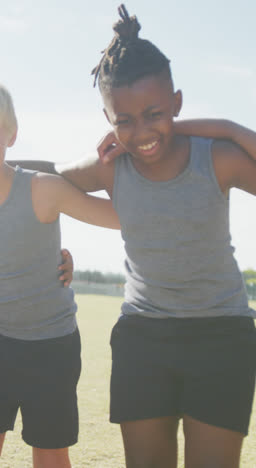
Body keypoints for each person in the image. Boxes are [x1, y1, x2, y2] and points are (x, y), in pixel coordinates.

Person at [11, 4, 256, 467]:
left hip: (222, 337)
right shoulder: (111, 166)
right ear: (107, 119)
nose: (141, 132)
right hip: (143, 339)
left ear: (178, 104)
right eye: (123, 121)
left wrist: (223, 126)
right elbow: (40, 174)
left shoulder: (218, 156)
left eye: (155, 114)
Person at [0, 84, 119, 468]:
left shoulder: (43, 189)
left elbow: (121, 217)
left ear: (11, 135)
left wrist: (123, 158)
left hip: (51, 345)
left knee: (50, 454)